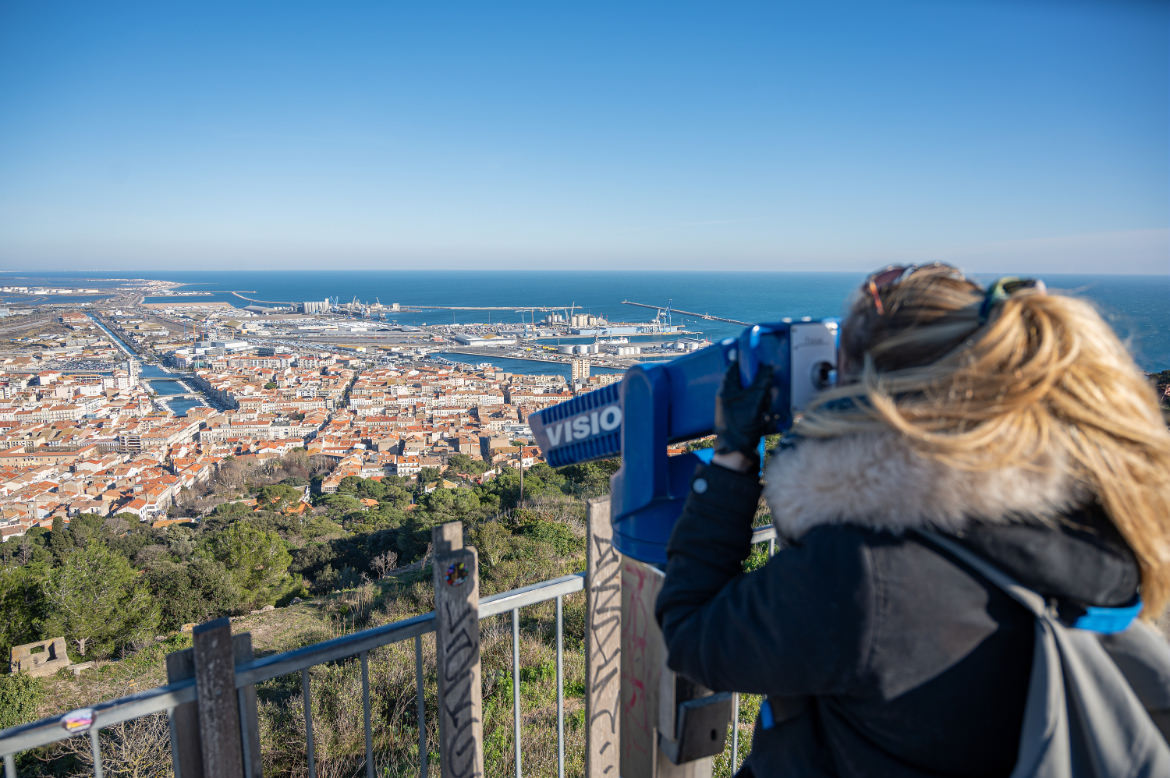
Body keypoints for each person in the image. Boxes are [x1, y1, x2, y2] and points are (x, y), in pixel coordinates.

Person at [655, 263, 1170, 777]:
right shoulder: (1119, 524)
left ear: (865, 387)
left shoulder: (867, 574)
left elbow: (692, 634)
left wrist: (732, 462)